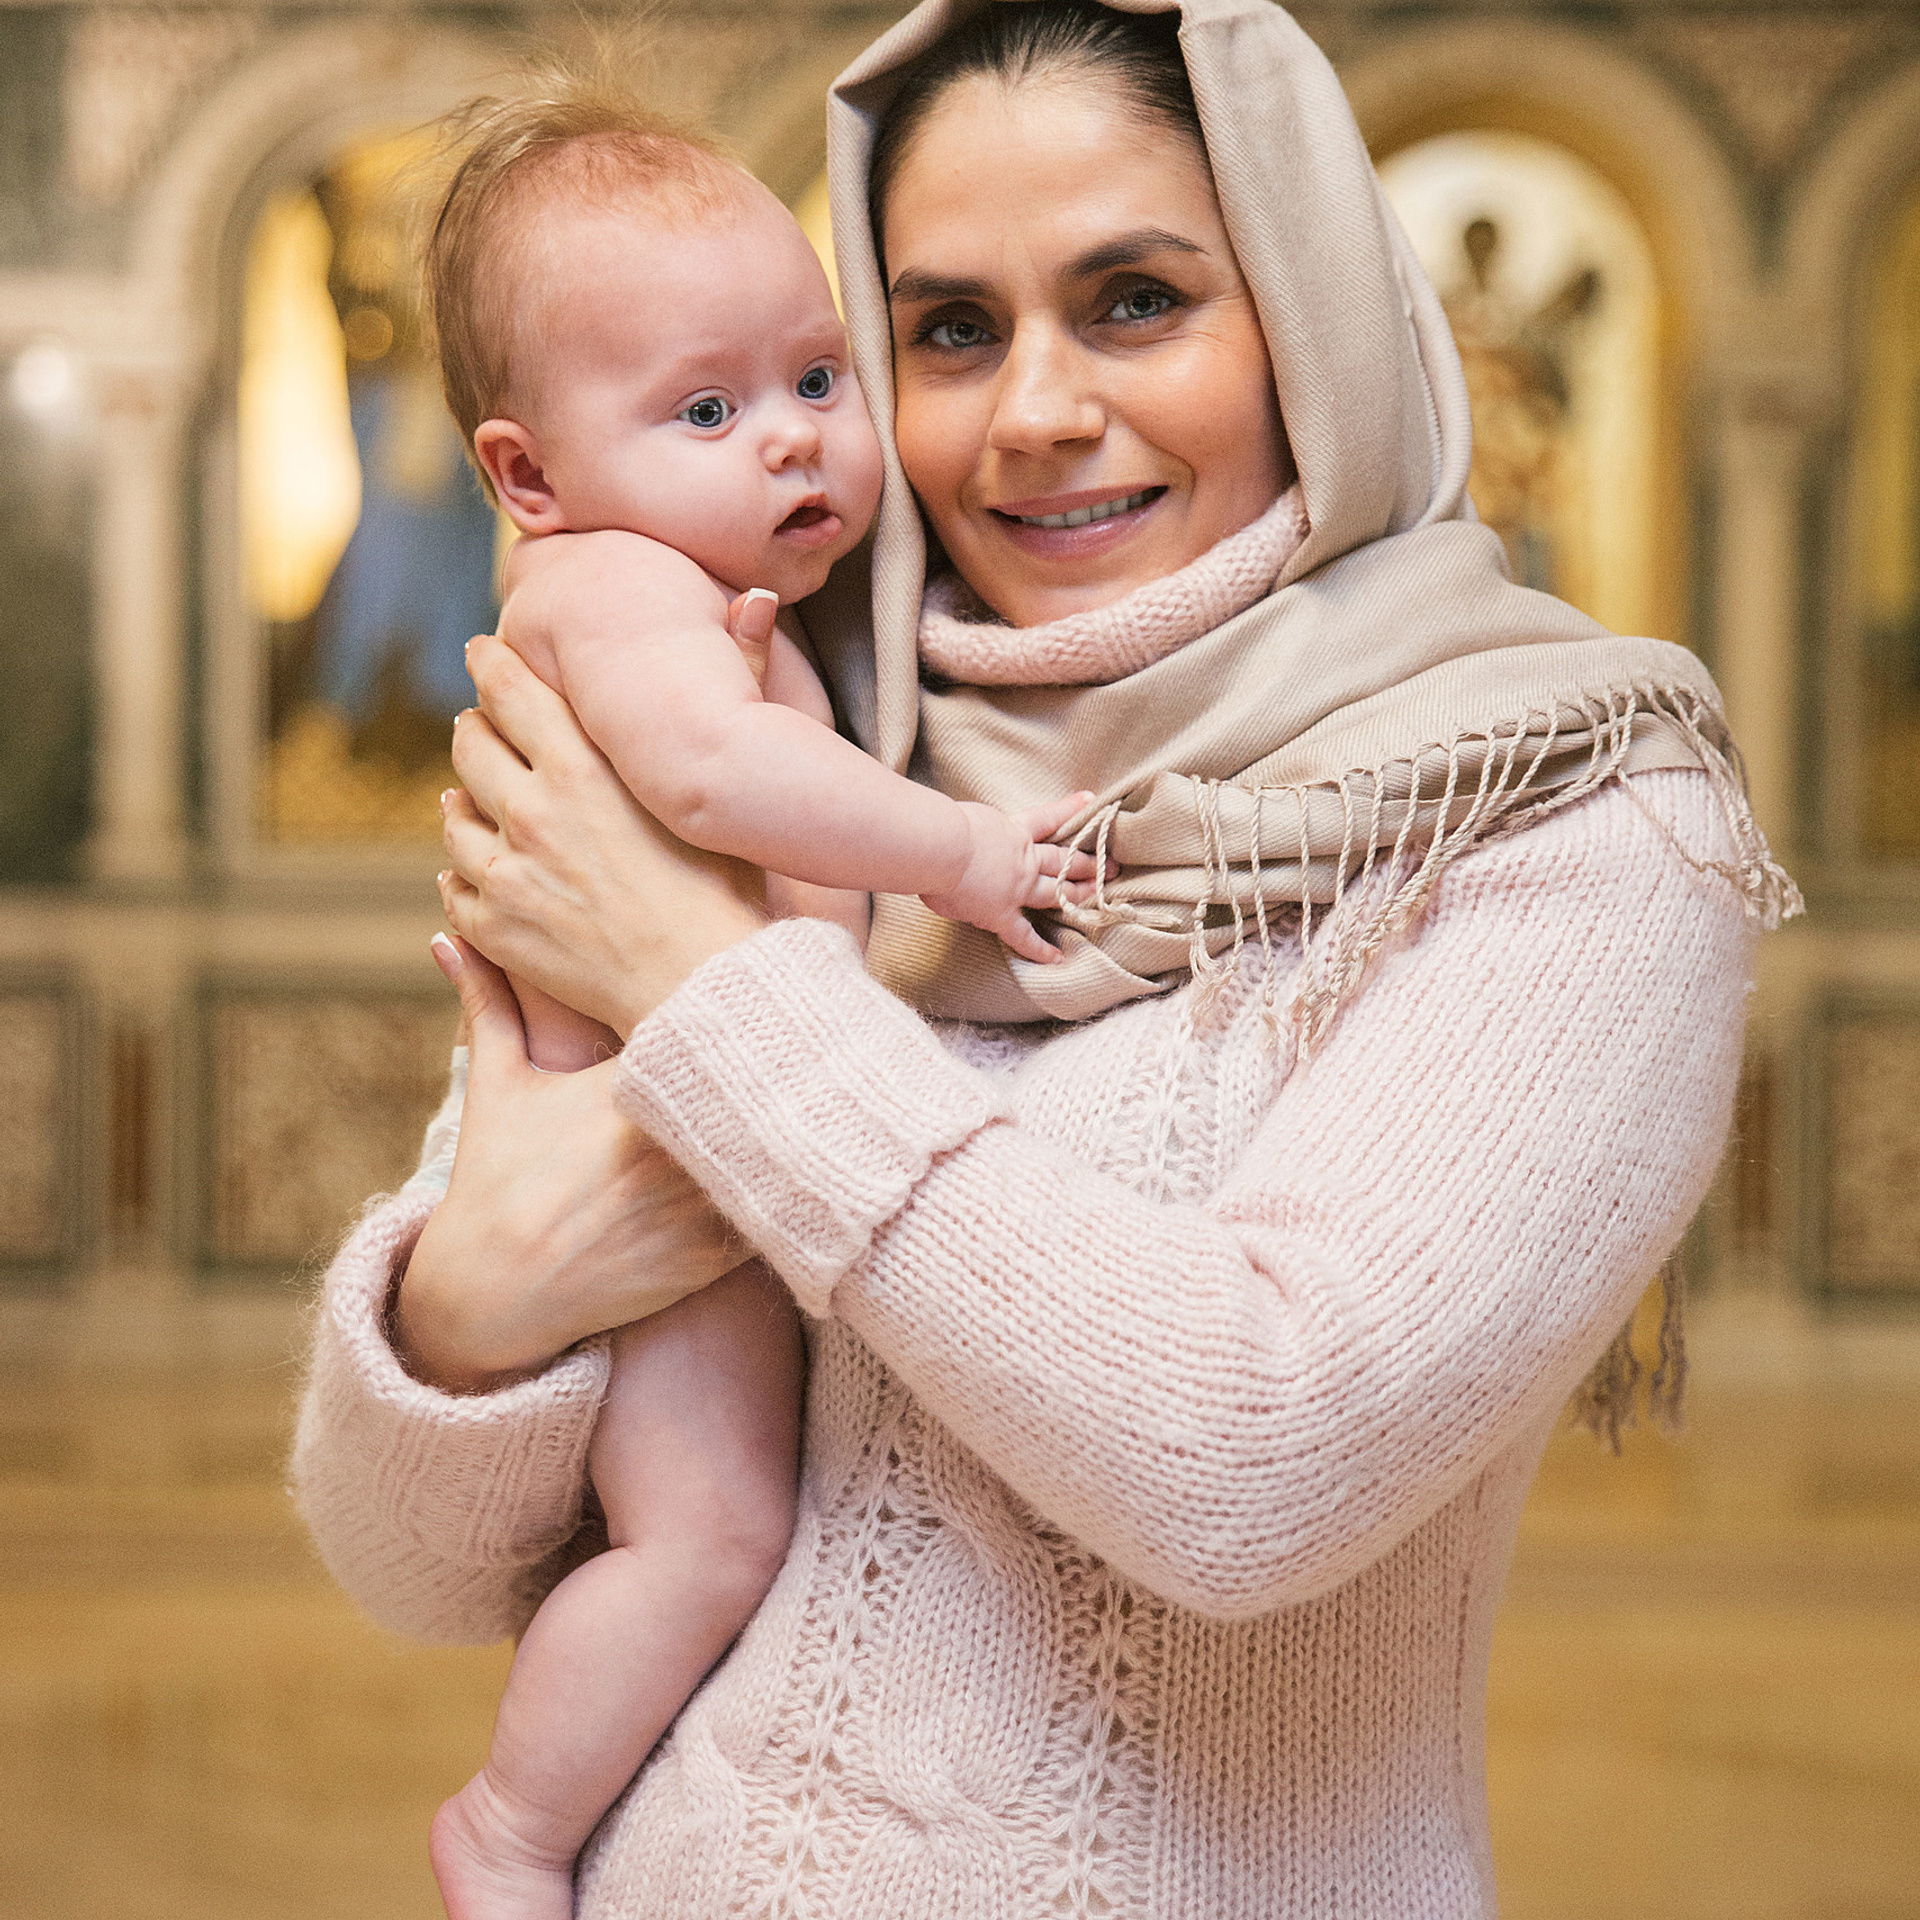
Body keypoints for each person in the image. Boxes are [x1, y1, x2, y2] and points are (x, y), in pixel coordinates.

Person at [294, 2, 1799, 1914]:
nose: (1033, 413)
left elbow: (1254, 1460)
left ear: (1312, 308)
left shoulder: (1566, 805)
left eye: (1139, 299)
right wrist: (470, 1301)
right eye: (948, 329)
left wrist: (706, 1002)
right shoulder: (801, 740)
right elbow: (406, 1564)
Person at [410, 74, 1101, 1918]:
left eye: (816, 378)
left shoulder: (739, 591)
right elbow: (715, 788)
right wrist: (962, 859)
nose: (793, 445)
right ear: (528, 476)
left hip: (727, 1168)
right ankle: (515, 1828)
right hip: (668, 1191)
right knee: (707, 1540)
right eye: (707, 410)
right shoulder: (616, 587)